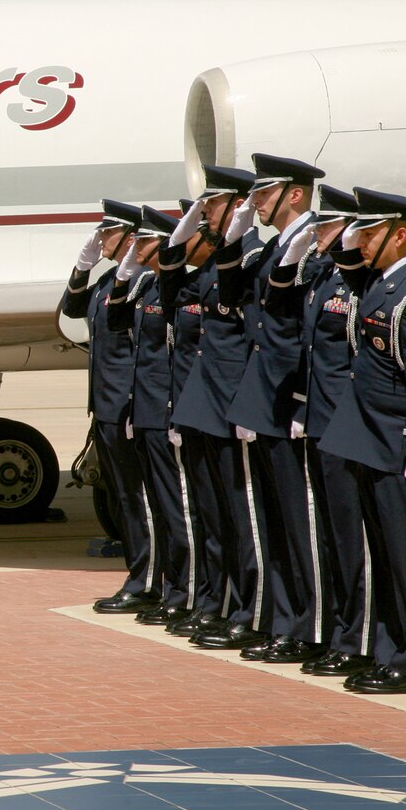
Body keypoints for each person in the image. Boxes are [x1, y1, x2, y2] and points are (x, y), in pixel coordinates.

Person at [319, 188, 406, 694]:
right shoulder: (382, 282)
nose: (360, 239)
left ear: (398, 234)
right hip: (372, 440)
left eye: (371, 230)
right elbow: (347, 264)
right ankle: (387, 651)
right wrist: (350, 238)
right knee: (383, 554)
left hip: (404, 446)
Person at [222, 154, 327, 665]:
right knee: (276, 523)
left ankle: (306, 628)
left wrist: (303, 400)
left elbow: (309, 335)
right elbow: (233, 296)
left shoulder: (312, 248)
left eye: (262, 195)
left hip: (291, 401)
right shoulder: (272, 248)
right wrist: (233, 240)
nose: (254, 203)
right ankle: (283, 622)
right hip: (265, 398)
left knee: (300, 524)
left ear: (294, 195)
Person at [263, 184, 371, 678]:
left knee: (350, 541)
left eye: (326, 227)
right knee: (327, 536)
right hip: (320, 420)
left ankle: (352, 638)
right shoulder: (321, 278)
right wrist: (292, 258)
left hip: (347, 424)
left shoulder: (357, 285)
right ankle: (333, 634)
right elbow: (278, 307)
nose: (318, 234)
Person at [170, 166, 272, 653]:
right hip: (206, 401)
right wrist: (188, 226)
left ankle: (249, 611)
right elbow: (170, 282)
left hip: (235, 403)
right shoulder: (215, 265)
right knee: (217, 516)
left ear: (237, 206)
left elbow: (258, 340)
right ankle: (224, 602)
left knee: (242, 516)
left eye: (209, 205)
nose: (203, 213)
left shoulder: (253, 258)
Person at [61, 200, 156, 614]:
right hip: (106, 407)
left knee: (143, 499)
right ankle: (139, 575)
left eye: (108, 233)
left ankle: (150, 580)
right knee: (125, 500)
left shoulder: (143, 283)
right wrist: (82, 269)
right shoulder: (107, 281)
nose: (101, 240)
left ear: (130, 238)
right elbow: (71, 309)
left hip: (131, 407)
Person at [106, 206, 191, 625]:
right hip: (145, 412)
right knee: (159, 506)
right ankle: (169, 587)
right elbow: (115, 317)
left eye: (145, 242)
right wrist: (123, 274)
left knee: (179, 511)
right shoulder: (146, 289)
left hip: (166, 413)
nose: (136, 248)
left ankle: (186, 591)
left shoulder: (176, 290)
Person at [156, 197, 225, 638]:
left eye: (193, 230)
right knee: (205, 515)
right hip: (193, 411)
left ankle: (220, 601)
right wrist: (174, 247)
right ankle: (208, 598)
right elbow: (168, 295)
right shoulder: (193, 282)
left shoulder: (222, 278)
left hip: (217, 412)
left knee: (222, 519)